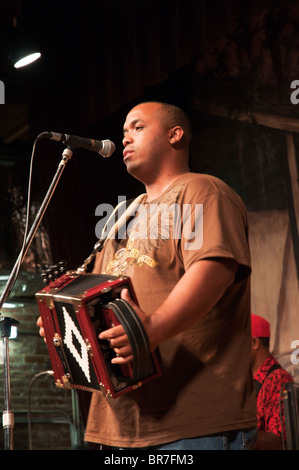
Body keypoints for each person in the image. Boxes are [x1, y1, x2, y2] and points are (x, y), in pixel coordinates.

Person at [37, 101, 257, 450]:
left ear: (175, 134)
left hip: (194, 422)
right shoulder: (123, 215)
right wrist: (63, 323)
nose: (125, 138)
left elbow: (214, 269)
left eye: (137, 127)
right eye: (123, 131)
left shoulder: (201, 190)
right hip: (121, 424)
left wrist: (150, 330)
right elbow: (94, 300)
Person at [251, 313, 294, 450]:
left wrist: (235, 436)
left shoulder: (278, 379)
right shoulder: (249, 380)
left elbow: (281, 441)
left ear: (254, 343)